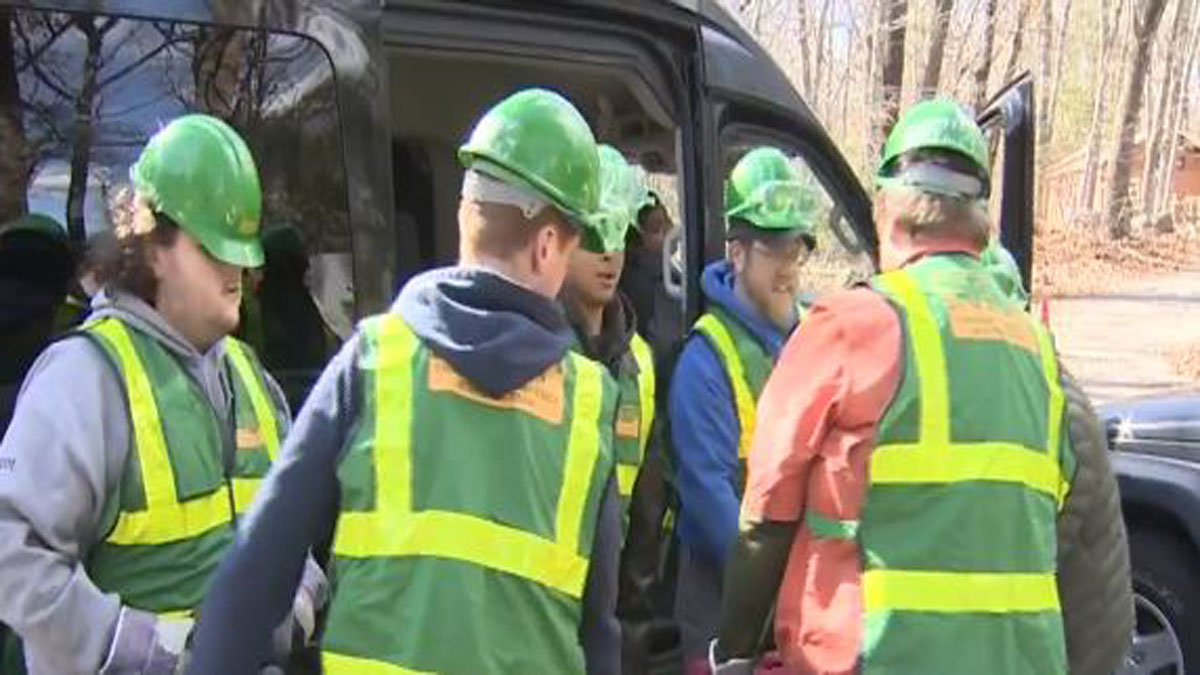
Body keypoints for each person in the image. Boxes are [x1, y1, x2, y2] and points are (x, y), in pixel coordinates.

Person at [185, 88, 623, 675]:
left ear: (467, 218)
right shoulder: (590, 404)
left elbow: (256, 574)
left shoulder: (372, 361)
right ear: (548, 247)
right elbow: (599, 632)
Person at [710, 99, 1134, 675]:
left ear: (887, 211)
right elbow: (1068, 528)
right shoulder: (1038, 350)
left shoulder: (850, 326)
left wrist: (734, 651)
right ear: (979, 221)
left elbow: (765, 514)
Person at [0, 114, 324, 675]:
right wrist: (141, 652)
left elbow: (300, 536)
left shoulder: (252, 378)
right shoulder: (87, 377)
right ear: (152, 248)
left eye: (244, 251)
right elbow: (15, 554)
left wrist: (289, 614)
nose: (239, 269)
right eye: (214, 249)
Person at [668, 146, 819, 673]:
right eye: (773, 247)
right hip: (724, 617)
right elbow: (711, 503)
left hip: (795, 617)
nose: (788, 269)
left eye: (796, 248)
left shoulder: (814, 341)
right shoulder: (704, 361)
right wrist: (785, 602)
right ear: (737, 251)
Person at [561, 145, 674, 673]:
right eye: (593, 235)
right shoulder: (536, 355)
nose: (609, 254)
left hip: (612, 627)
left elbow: (646, 520)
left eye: (619, 235)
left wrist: (632, 633)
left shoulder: (641, 367)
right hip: (545, 617)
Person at [620, 188, 683, 362]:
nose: (670, 229)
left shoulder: (666, 272)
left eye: (668, 221)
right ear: (635, 240)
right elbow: (666, 346)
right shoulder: (657, 281)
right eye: (657, 228)